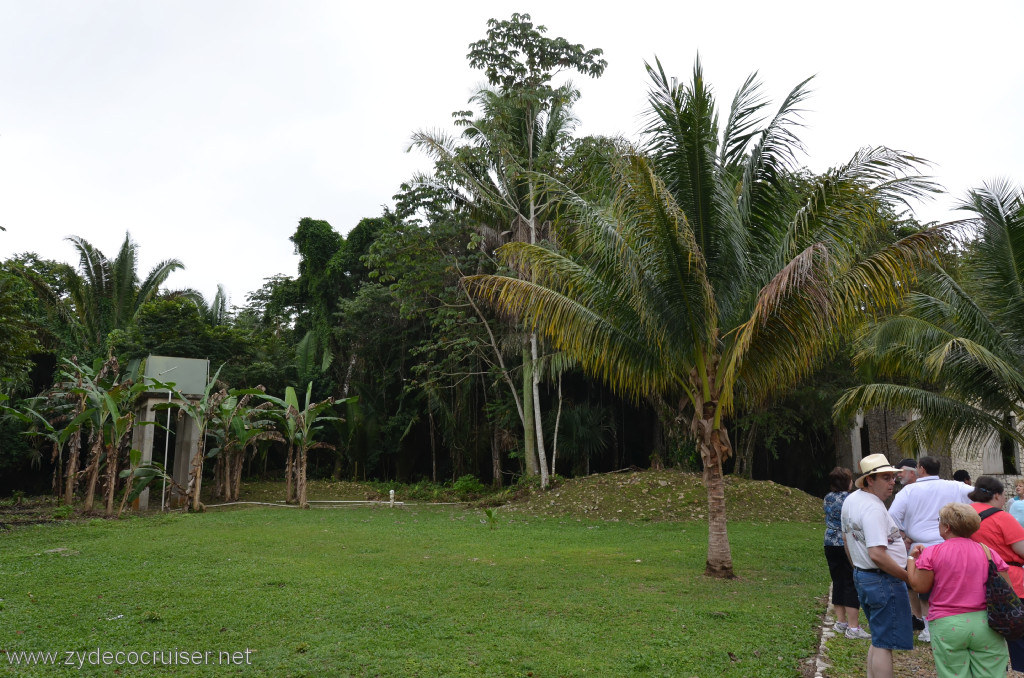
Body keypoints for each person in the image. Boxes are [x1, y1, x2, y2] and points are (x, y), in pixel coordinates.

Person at [907, 502, 1010, 678]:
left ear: (947, 527)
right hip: (987, 623)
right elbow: (1006, 588)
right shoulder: (988, 552)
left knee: (953, 673)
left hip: (947, 624)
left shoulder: (932, 553)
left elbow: (919, 586)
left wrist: (911, 559)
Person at [841, 454, 913, 678]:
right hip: (883, 579)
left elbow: (847, 539)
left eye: (893, 477)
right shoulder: (873, 509)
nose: (892, 482)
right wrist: (907, 576)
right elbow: (877, 554)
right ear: (869, 480)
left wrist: (858, 568)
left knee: (879, 637)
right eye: (885, 477)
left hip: (865, 576)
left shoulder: (852, 500)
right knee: (884, 643)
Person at [888, 455, 972, 642]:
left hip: (921, 546)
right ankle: (954, 623)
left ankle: (928, 628)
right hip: (952, 544)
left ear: (921, 469)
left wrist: (903, 535)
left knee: (924, 588)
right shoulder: (955, 486)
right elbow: (978, 496)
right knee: (952, 585)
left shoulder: (909, 491)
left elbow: (892, 515)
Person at [968, 476, 1024, 672]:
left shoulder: (964, 515)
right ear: (997, 495)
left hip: (973, 582)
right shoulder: (1002, 517)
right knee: (1017, 633)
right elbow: (1022, 548)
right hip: (1009, 581)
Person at [823, 467, 870, 639]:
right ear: (847, 482)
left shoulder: (828, 497)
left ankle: (841, 621)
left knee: (837, 580)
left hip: (829, 541)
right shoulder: (851, 499)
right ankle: (853, 627)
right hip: (846, 542)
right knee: (851, 581)